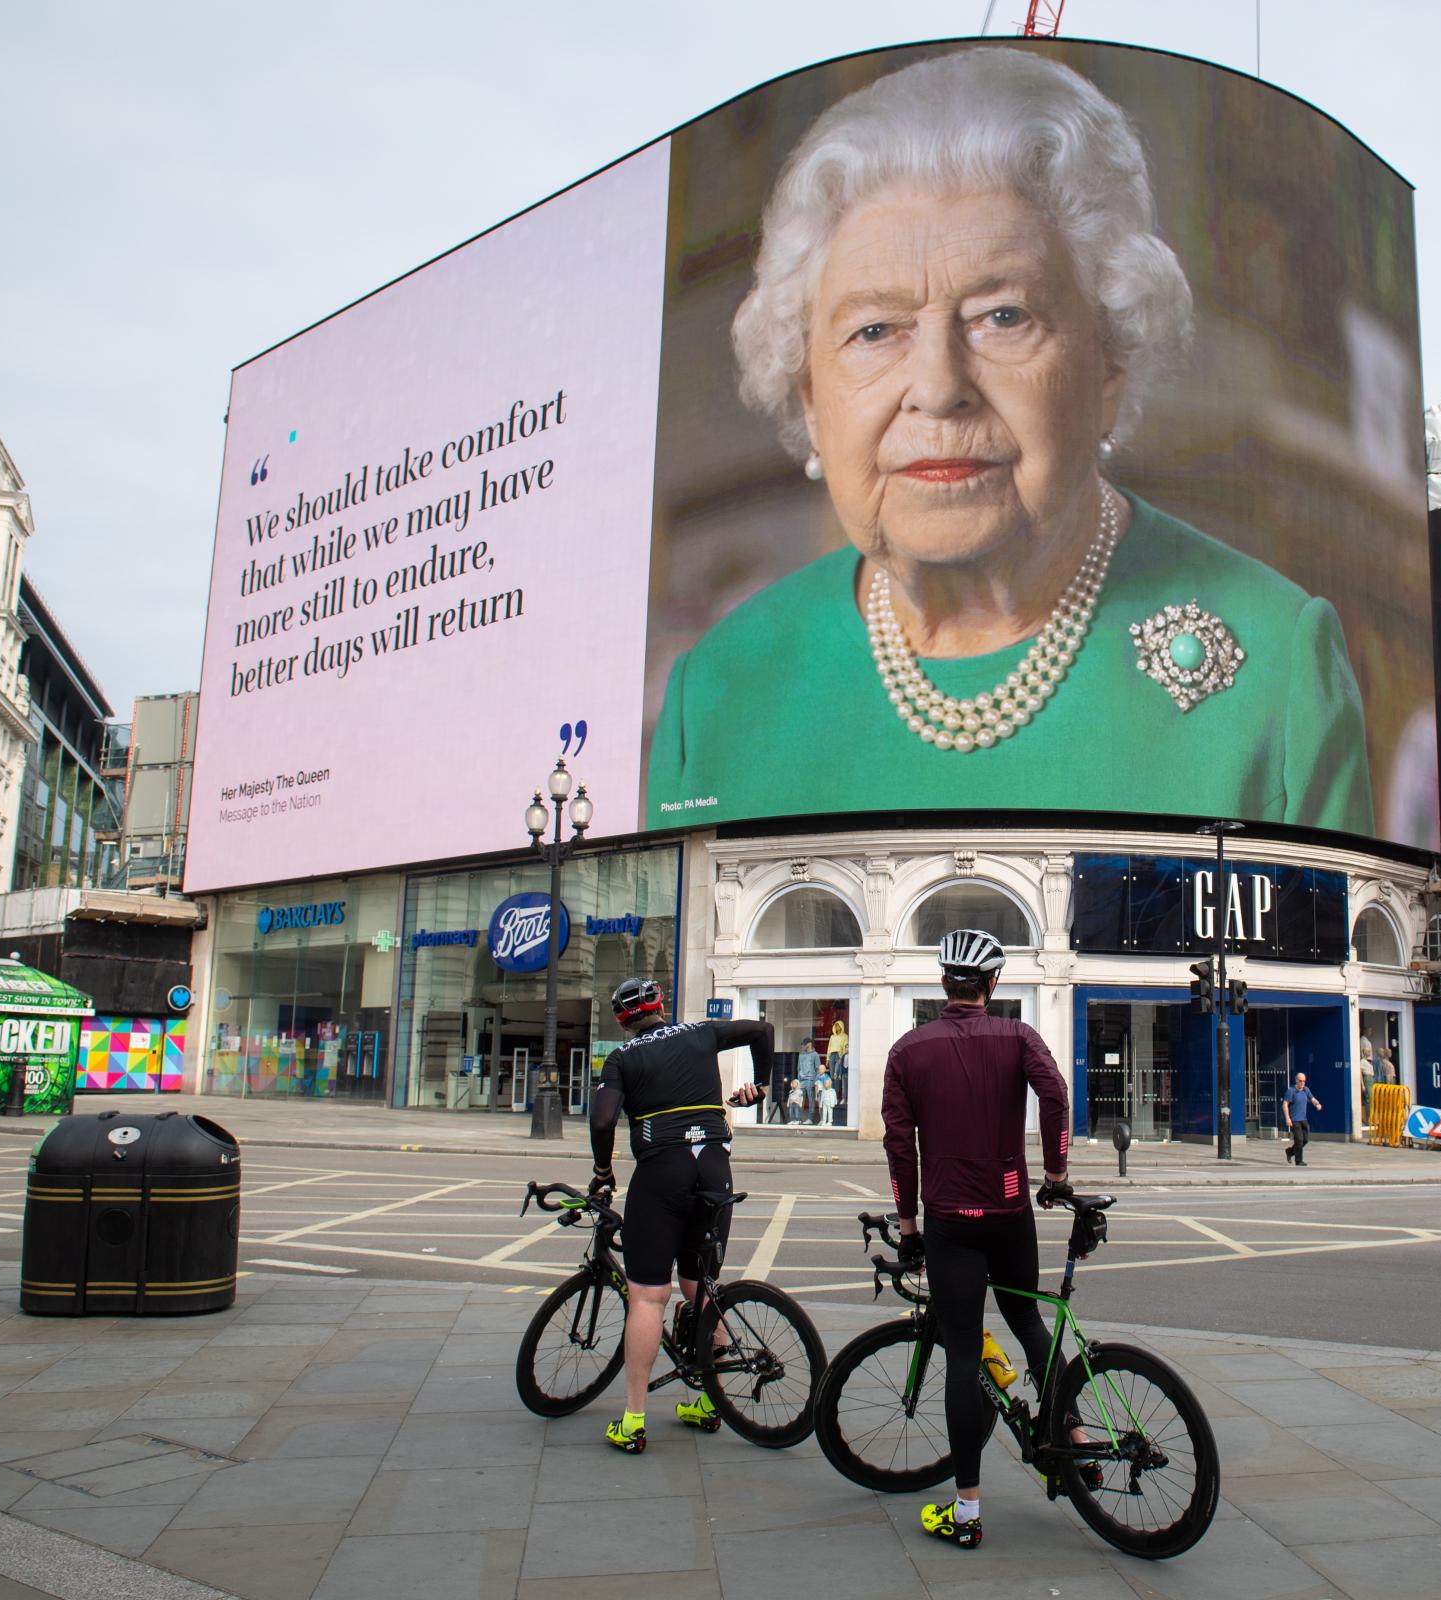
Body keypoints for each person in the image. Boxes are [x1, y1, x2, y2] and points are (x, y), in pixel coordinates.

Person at [645, 47, 1373, 837]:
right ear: (812, 399)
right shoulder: (715, 696)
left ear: (1108, 365)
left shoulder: (1275, 667)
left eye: (1002, 317)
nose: (937, 386)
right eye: (875, 330)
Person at [883, 927, 1070, 1551]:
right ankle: (1071, 1435)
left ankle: (966, 1511)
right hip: (1011, 1208)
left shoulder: (908, 1050)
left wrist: (907, 1222)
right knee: (1029, 1322)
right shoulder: (1019, 1036)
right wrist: (1055, 1174)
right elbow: (1055, 1096)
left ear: (943, 982)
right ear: (993, 984)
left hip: (949, 1220)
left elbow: (899, 1146)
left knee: (964, 1353)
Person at [587, 978, 768, 1455]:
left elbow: (602, 1120)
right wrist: (762, 1085)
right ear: (660, 1006)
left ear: (621, 1019)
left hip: (662, 1172)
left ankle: (633, 1421)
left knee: (649, 1297)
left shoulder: (623, 1058)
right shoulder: (701, 1032)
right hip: (714, 1167)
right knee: (701, 1287)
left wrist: (603, 1171)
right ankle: (710, 1402)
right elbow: (762, 1030)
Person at [1283, 1071, 1321, 1165]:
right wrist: (1287, 1118)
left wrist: (1317, 1104)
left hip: (1303, 1119)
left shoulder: (1306, 1090)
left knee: (1305, 1140)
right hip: (1294, 1120)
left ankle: (1290, 1152)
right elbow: (1285, 1104)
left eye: (1304, 1081)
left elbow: (1312, 1099)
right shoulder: (1291, 1091)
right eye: (1300, 1081)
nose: (1302, 1083)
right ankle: (1298, 1160)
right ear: (1296, 1080)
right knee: (1299, 1140)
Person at [797, 1040, 824, 1124]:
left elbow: (817, 1068)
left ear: (809, 1044)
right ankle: (798, 1119)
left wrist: (816, 1081)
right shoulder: (801, 1055)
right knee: (799, 1100)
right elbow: (798, 1068)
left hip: (811, 1079)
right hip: (802, 1080)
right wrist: (798, 1079)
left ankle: (810, 1119)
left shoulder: (815, 1055)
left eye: (804, 1044)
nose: (803, 1046)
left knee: (811, 1100)